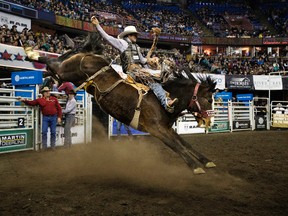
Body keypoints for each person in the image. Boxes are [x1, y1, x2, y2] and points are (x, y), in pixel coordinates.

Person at [91, 16, 178, 113]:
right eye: (134, 35)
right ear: (128, 35)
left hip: (140, 69)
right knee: (150, 79)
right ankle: (166, 102)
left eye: (136, 35)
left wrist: (151, 60)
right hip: (131, 71)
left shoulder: (137, 47)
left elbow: (142, 60)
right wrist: (97, 25)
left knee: (162, 76)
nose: (136, 36)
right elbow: (107, 37)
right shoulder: (122, 43)